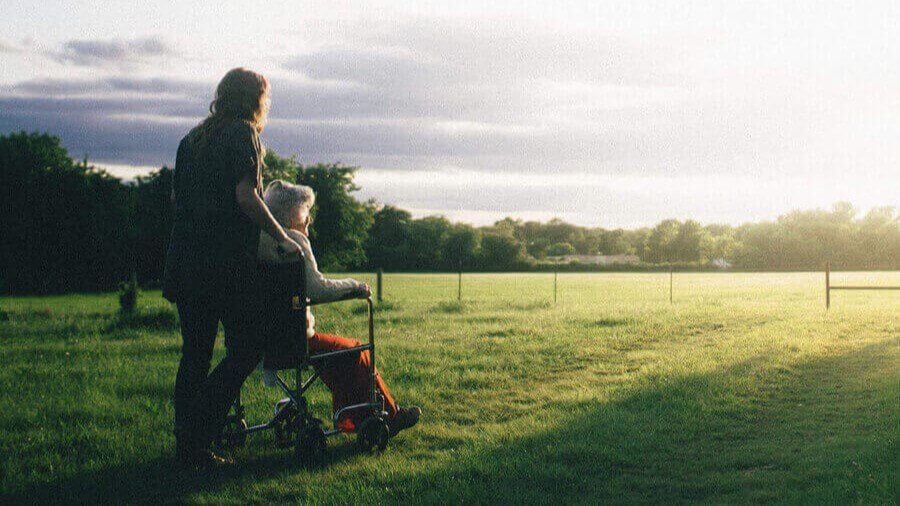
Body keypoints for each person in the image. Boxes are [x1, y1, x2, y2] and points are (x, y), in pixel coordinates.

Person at [162, 68, 303, 467]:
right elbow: (247, 197)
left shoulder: (192, 139)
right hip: (222, 268)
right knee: (247, 349)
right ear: (255, 99)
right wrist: (281, 236)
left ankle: (187, 447)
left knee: (195, 355)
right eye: (266, 97)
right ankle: (197, 435)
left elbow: (177, 199)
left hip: (185, 262)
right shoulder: (244, 135)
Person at [257, 180, 421, 436]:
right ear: (289, 213)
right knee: (355, 351)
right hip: (295, 339)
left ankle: (352, 419)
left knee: (338, 355)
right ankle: (389, 416)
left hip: (264, 338)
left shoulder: (259, 241)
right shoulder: (294, 242)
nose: (309, 218)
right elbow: (318, 289)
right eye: (305, 210)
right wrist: (355, 286)